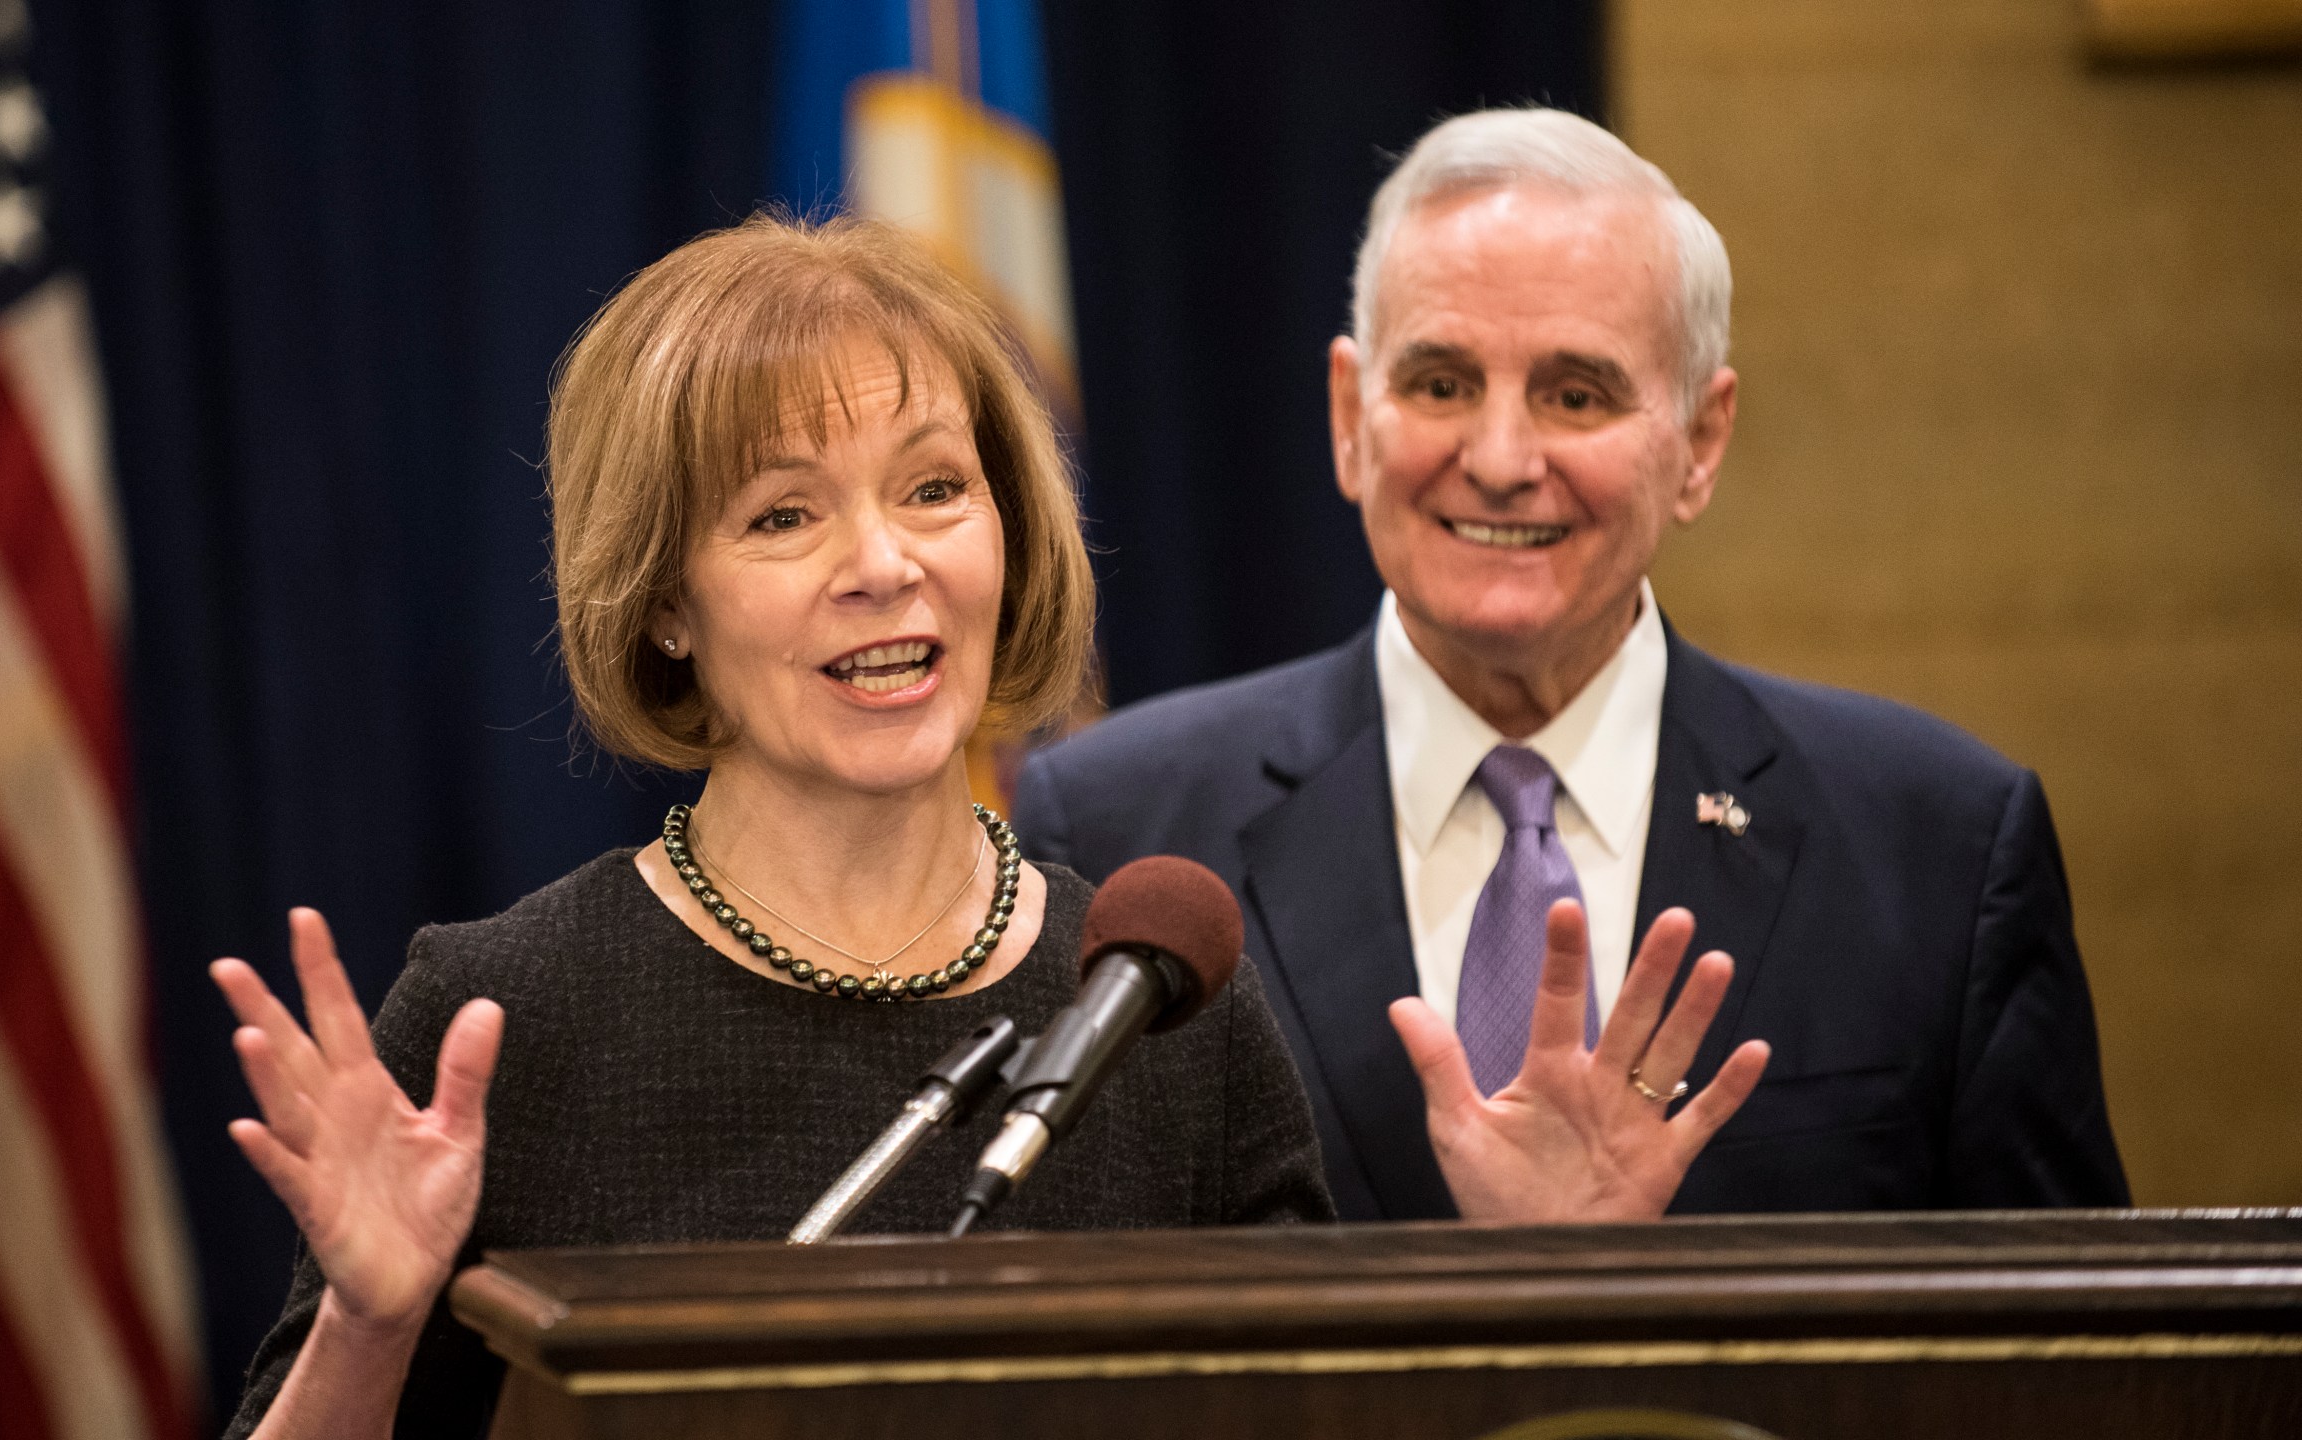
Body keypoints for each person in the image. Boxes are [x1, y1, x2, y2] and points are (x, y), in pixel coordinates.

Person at [208, 215, 1765, 1438]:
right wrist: (373, 1321)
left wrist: (1541, 1289)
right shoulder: (508, 1024)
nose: (883, 564)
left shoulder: (1165, 1011)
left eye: (935, 489)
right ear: (666, 604)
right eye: (782, 514)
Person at [1012, 108, 2131, 1223]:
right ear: (1351, 417)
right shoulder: (1118, 832)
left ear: (1699, 441)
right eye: (1441, 384)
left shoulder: (1938, 846)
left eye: (1575, 395)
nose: (1499, 461)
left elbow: (2075, 1358)